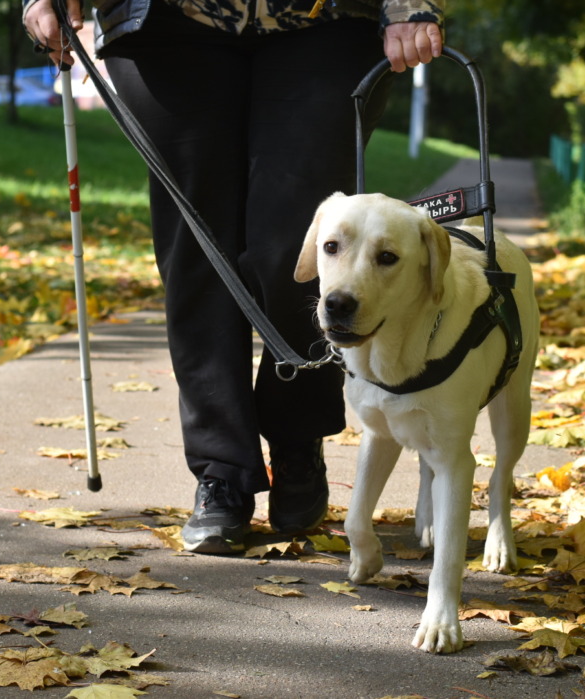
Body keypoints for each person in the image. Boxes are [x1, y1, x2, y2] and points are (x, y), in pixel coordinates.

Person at [22, 0, 445, 554]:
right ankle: (221, 469)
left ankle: (297, 440)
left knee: (295, 246)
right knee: (196, 250)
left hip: (327, 21)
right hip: (167, 23)